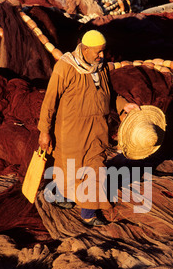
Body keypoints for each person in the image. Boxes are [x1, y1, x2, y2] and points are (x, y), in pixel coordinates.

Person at [38, 30, 138, 227]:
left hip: (98, 130)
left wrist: (123, 105)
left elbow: (110, 94)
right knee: (69, 171)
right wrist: (44, 130)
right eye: (98, 52)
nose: (102, 56)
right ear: (84, 49)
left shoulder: (101, 68)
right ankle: (63, 196)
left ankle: (88, 213)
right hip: (70, 132)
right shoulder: (65, 67)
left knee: (96, 170)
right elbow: (50, 101)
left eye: (103, 51)